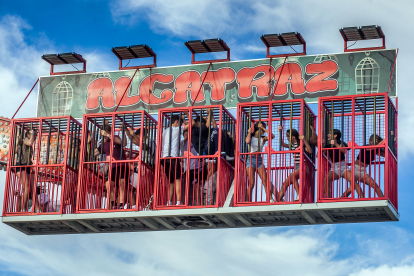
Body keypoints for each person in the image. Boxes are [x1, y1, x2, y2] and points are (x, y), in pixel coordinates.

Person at [94, 123, 129, 210]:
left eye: (104, 133)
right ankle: (113, 204)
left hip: (122, 164)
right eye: (102, 134)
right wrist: (89, 144)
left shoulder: (115, 138)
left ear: (109, 132)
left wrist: (108, 135)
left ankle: (121, 204)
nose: (104, 136)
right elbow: (94, 153)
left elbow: (123, 143)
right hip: (112, 167)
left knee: (122, 184)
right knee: (110, 185)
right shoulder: (104, 143)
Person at [161, 112, 191, 205]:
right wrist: (185, 119)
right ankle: (178, 201)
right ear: (177, 122)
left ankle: (168, 202)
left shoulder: (164, 131)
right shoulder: (177, 128)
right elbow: (192, 124)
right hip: (173, 157)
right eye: (180, 122)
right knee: (178, 179)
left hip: (164, 158)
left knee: (171, 181)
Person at [279, 127, 312, 201]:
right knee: (284, 184)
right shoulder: (291, 145)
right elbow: (281, 144)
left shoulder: (300, 144)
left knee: (292, 176)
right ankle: (279, 200)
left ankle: (299, 194)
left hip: (303, 165)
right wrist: (280, 131)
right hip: (297, 166)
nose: (287, 138)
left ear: (293, 136)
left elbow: (310, 151)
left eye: (288, 136)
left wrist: (304, 140)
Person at [245, 121, 275, 202]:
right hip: (250, 159)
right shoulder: (251, 136)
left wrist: (263, 128)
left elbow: (272, 136)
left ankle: (270, 199)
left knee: (265, 181)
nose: (264, 130)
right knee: (251, 183)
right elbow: (247, 141)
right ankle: (247, 201)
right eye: (262, 127)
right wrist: (249, 132)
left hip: (259, 160)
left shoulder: (263, 138)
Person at [14, 129, 38, 212]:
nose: (35, 136)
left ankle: (30, 208)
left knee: (30, 187)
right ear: (29, 134)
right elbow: (29, 142)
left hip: (26, 166)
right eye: (35, 134)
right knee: (26, 186)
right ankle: (23, 208)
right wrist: (32, 135)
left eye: (35, 134)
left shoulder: (26, 141)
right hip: (21, 166)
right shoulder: (26, 140)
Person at [322, 129, 349, 197]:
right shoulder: (328, 146)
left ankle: (343, 196)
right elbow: (318, 155)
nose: (328, 135)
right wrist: (321, 145)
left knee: (354, 181)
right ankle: (328, 199)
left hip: (343, 166)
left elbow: (344, 151)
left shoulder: (341, 144)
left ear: (335, 135)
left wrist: (335, 144)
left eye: (330, 133)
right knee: (326, 179)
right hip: (334, 167)